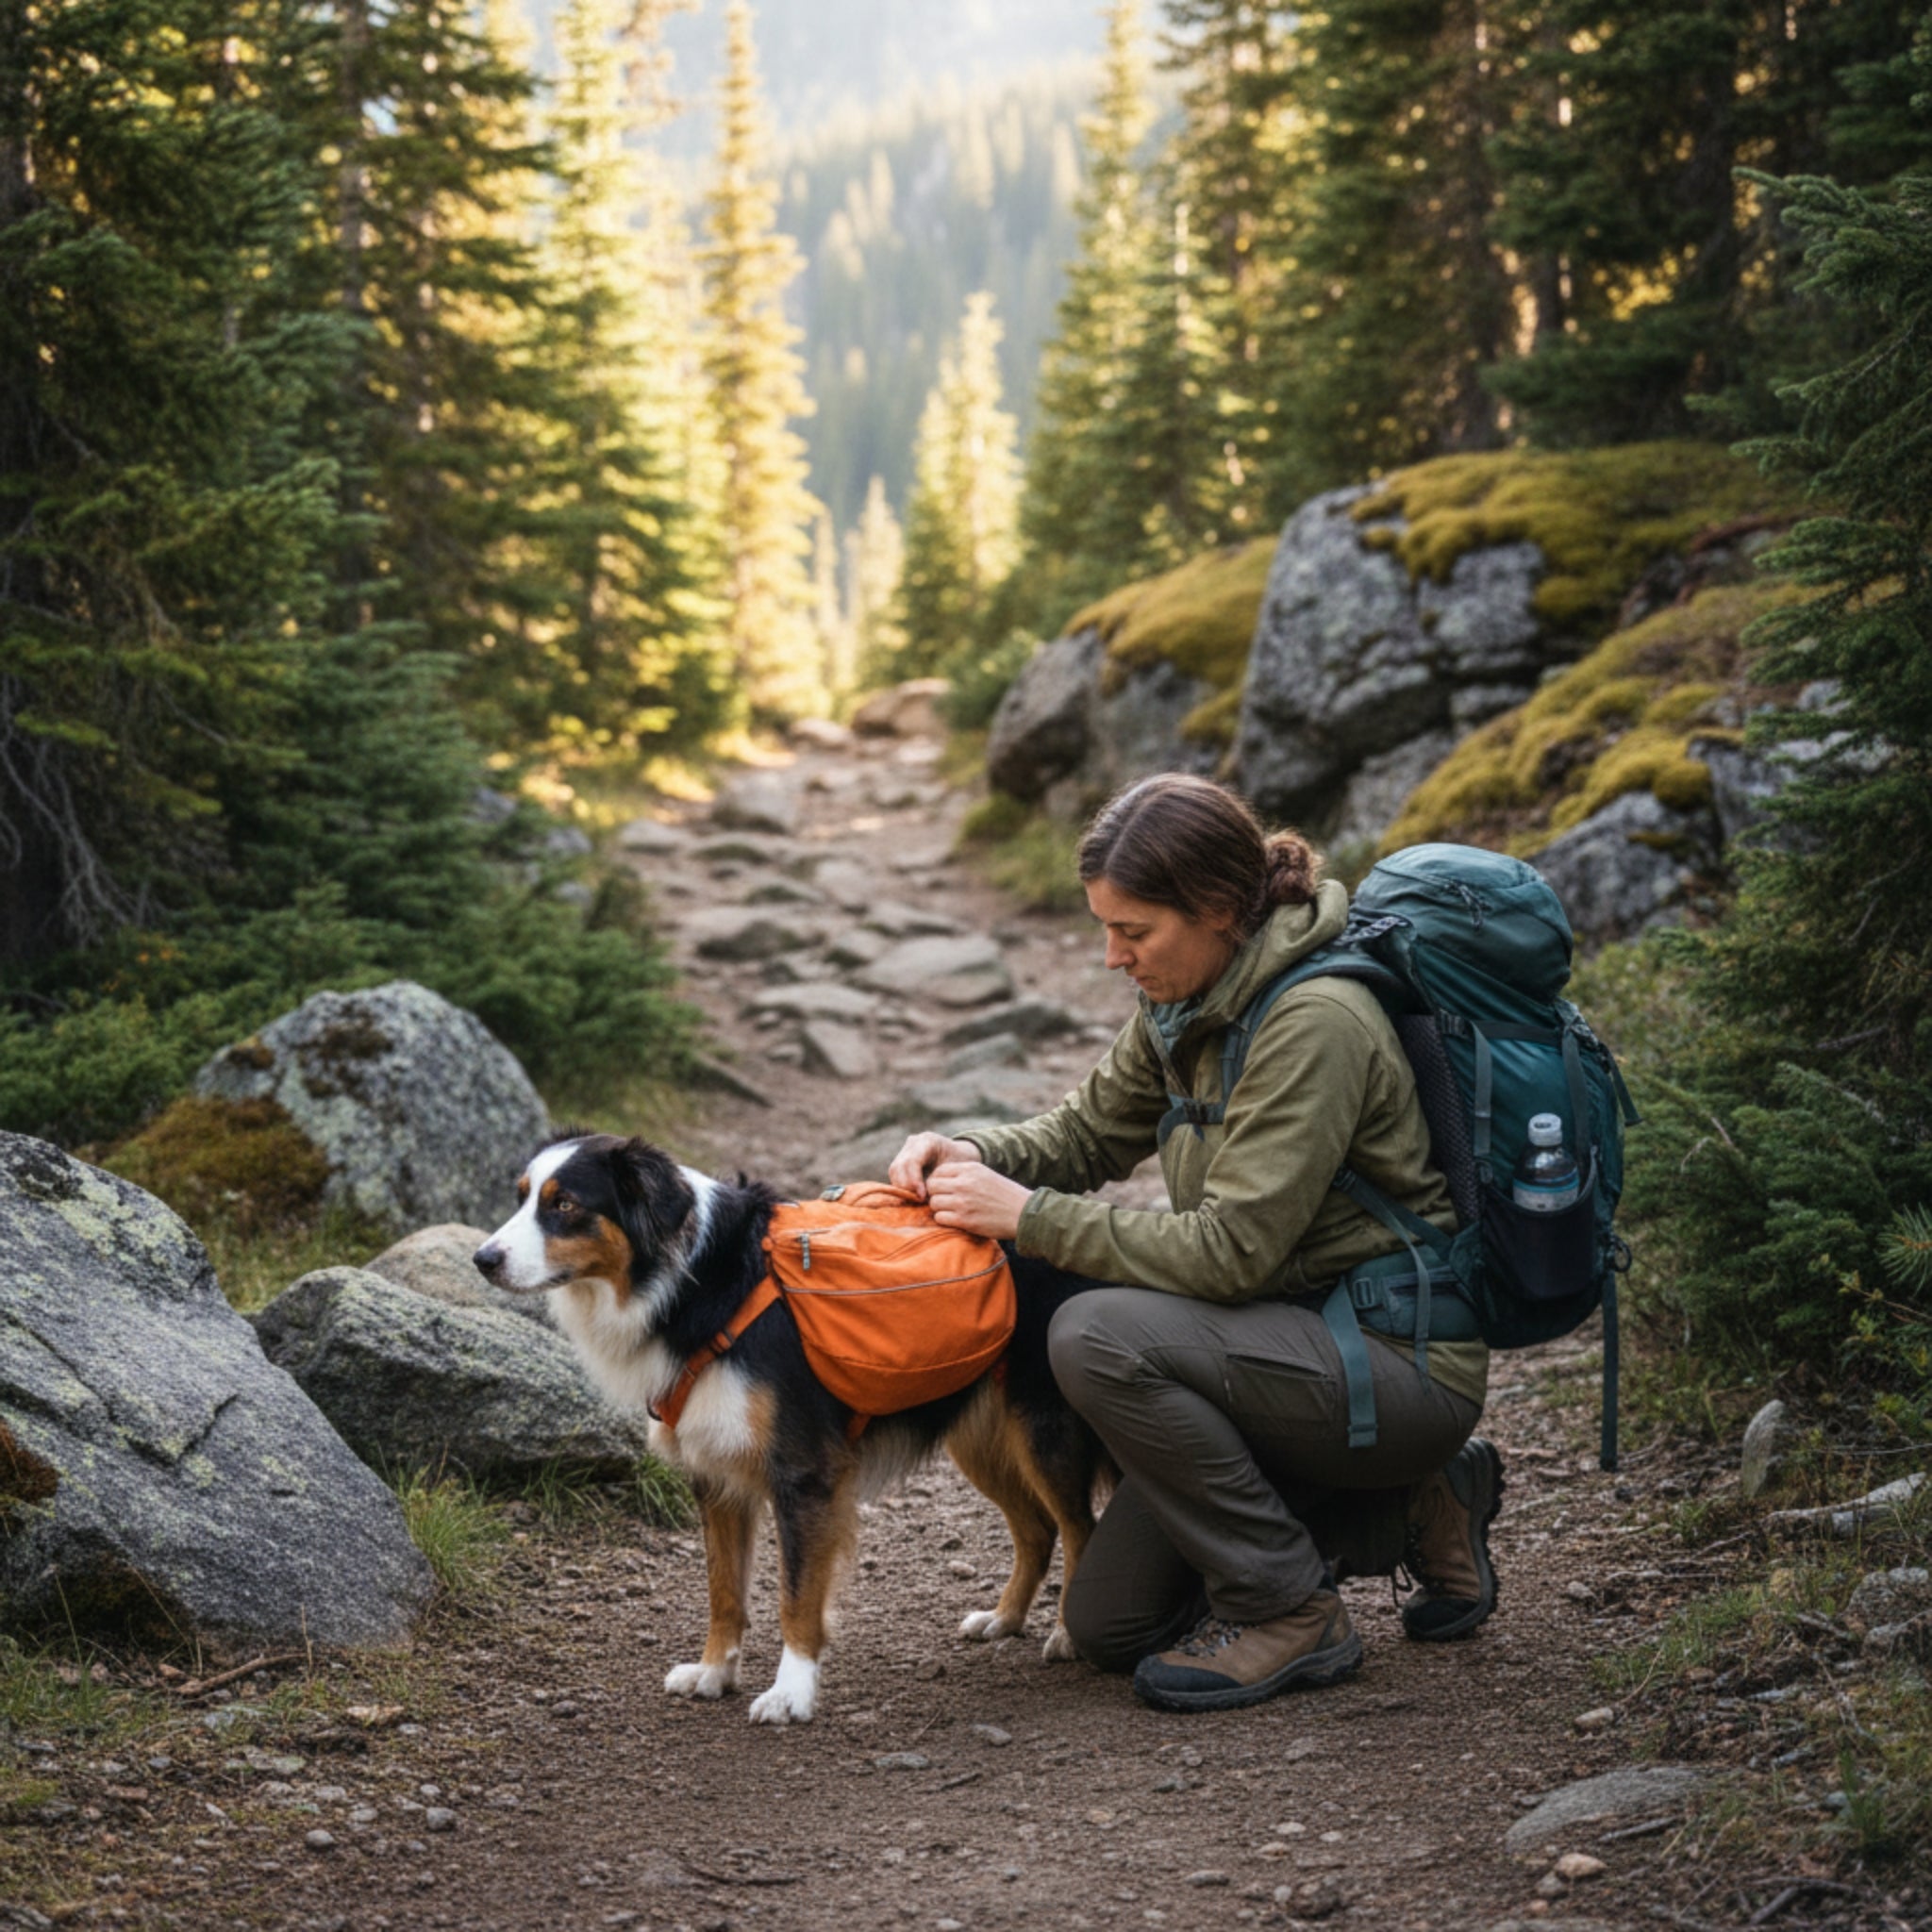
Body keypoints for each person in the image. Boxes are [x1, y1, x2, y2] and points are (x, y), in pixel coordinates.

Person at [888, 774, 1503, 1713]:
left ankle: (1291, 1606)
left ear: (1217, 910)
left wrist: (1029, 1216)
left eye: (1131, 931)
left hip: (1389, 1356)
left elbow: (1231, 1253)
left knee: (1096, 1334)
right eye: (1103, 927)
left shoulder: (1314, 1022)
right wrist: (971, 1149)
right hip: (1271, 1348)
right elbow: (1085, 1134)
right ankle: (1402, 1503)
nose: (1110, 956)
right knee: (1109, 1628)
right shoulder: (1188, 998)